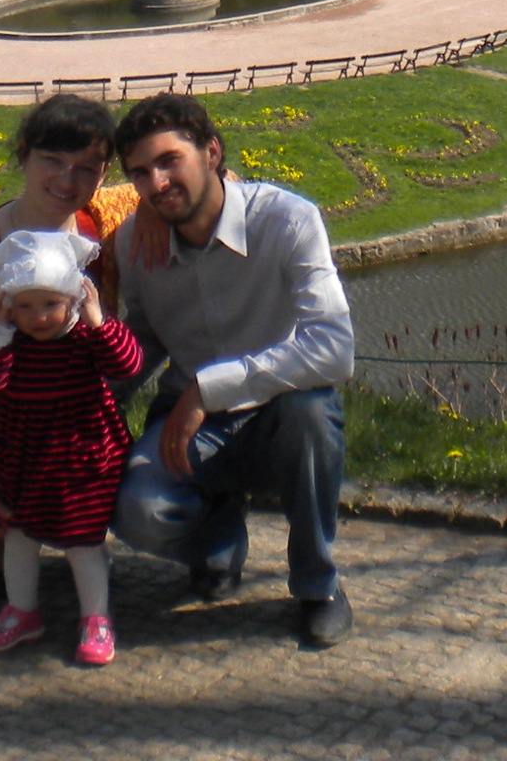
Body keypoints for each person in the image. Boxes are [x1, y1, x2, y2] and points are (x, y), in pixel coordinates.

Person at [108, 93, 357, 647]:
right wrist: (89, 398)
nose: (156, 183)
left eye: (169, 161)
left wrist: (209, 388)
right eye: (140, 173)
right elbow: (146, 332)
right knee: (136, 510)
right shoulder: (134, 240)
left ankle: (318, 585)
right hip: (191, 420)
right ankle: (218, 535)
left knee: (312, 418)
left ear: (213, 153)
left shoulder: (287, 220)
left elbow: (334, 348)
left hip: (280, 410)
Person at [0, 96, 138, 596]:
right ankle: (1, 532)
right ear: (23, 155)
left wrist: (218, 184)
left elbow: (185, 179)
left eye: (87, 168)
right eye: (52, 161)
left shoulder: (104, 217)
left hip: (78, 416)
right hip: (6, 426)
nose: (68, 180)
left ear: (104, 173)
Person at [0, 228, 143, 665]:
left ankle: (96, 618)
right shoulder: (8, 343)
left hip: (80, 460)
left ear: (73, 299)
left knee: (83, 541)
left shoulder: (86, 338)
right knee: (20, 535)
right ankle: (21, 611)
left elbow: (127, 365)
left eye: (50, 304)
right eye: (25, 307)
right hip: (22, 457)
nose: (38, 317)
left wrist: (99, 321)